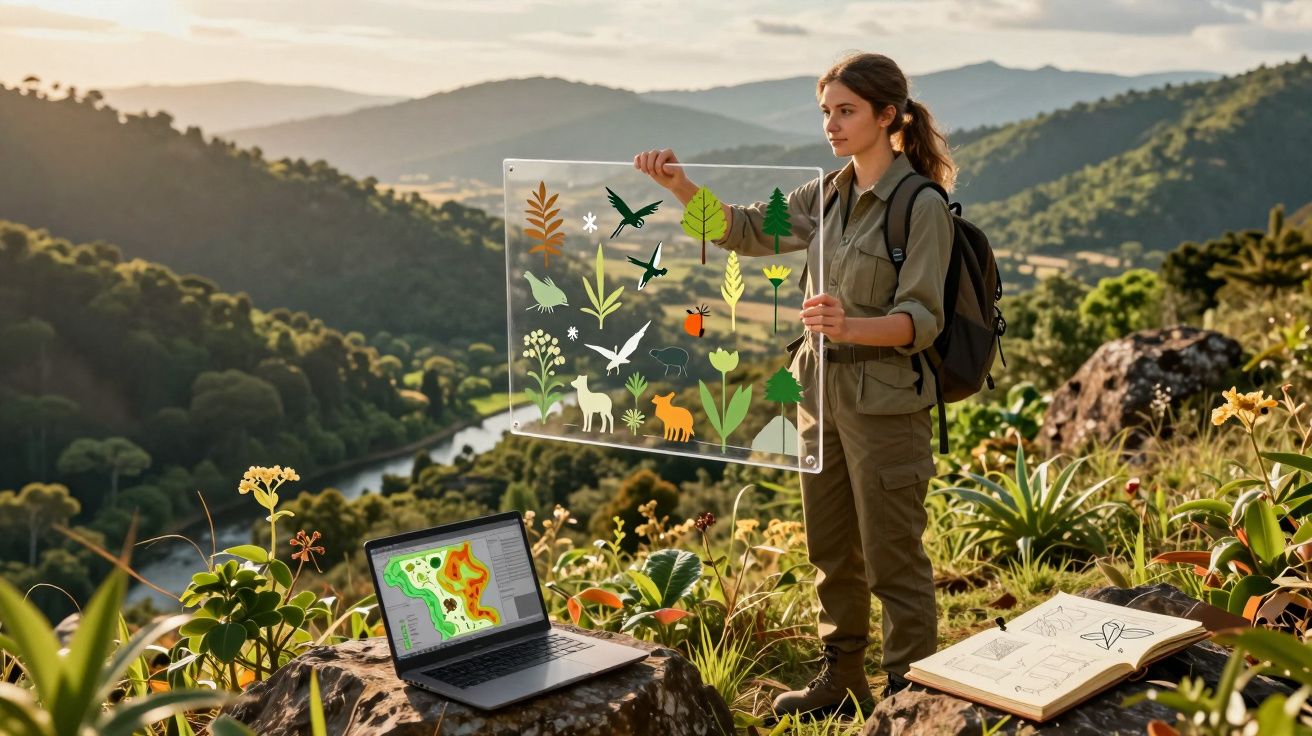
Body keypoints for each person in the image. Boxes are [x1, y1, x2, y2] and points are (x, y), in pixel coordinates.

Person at [634, 51, 955, 720]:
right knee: (830, 550)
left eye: (846, 111)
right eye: (825, 112)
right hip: (819, 399)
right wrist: (681, 189)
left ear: (887, 116)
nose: (831, 125)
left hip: (887, 406)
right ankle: (843, 683)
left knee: (894, 559)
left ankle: (911, 703)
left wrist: (851, 324)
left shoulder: (919, 205)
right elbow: (743, 232)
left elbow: (922, 321)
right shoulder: (826, 194)